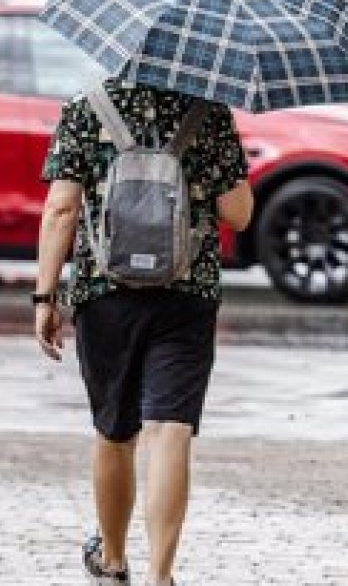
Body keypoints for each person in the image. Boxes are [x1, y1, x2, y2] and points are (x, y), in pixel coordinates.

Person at [34, 80, 253, 586]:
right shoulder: (208, 113)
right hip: (187, 291)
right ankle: (161, 574)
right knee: (169, 429)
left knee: (115, 430)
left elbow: (61, 208)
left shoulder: (86, 108)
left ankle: (111, 560)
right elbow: (238, 214)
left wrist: (45, 297)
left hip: (103, 291)